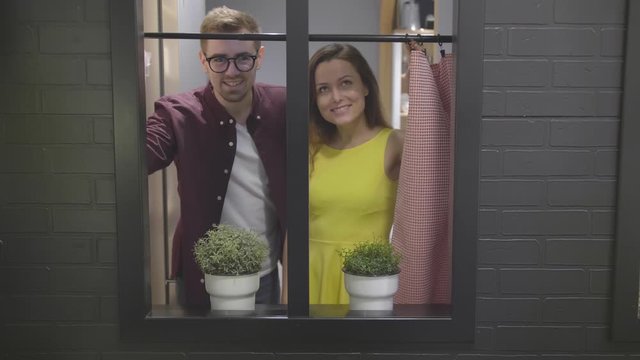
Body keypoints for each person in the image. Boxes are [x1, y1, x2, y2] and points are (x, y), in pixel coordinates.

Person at [146, 6, 286, 307]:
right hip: (201, 279)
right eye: (219, 59)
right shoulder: (176, 112)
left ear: (259, 57)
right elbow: (143, 154)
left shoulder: (284, 106)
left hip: (264, 276)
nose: (232, 71)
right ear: (203, 61)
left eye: (243, 59)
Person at [308, 43, 404, 305]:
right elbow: (293, 231)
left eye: (346, 83)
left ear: (366, 87)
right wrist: (287, 300)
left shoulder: (395, 144)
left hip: (368, 282)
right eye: (323, 89)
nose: (336, 96)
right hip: (311, 277)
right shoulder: (310, 150)